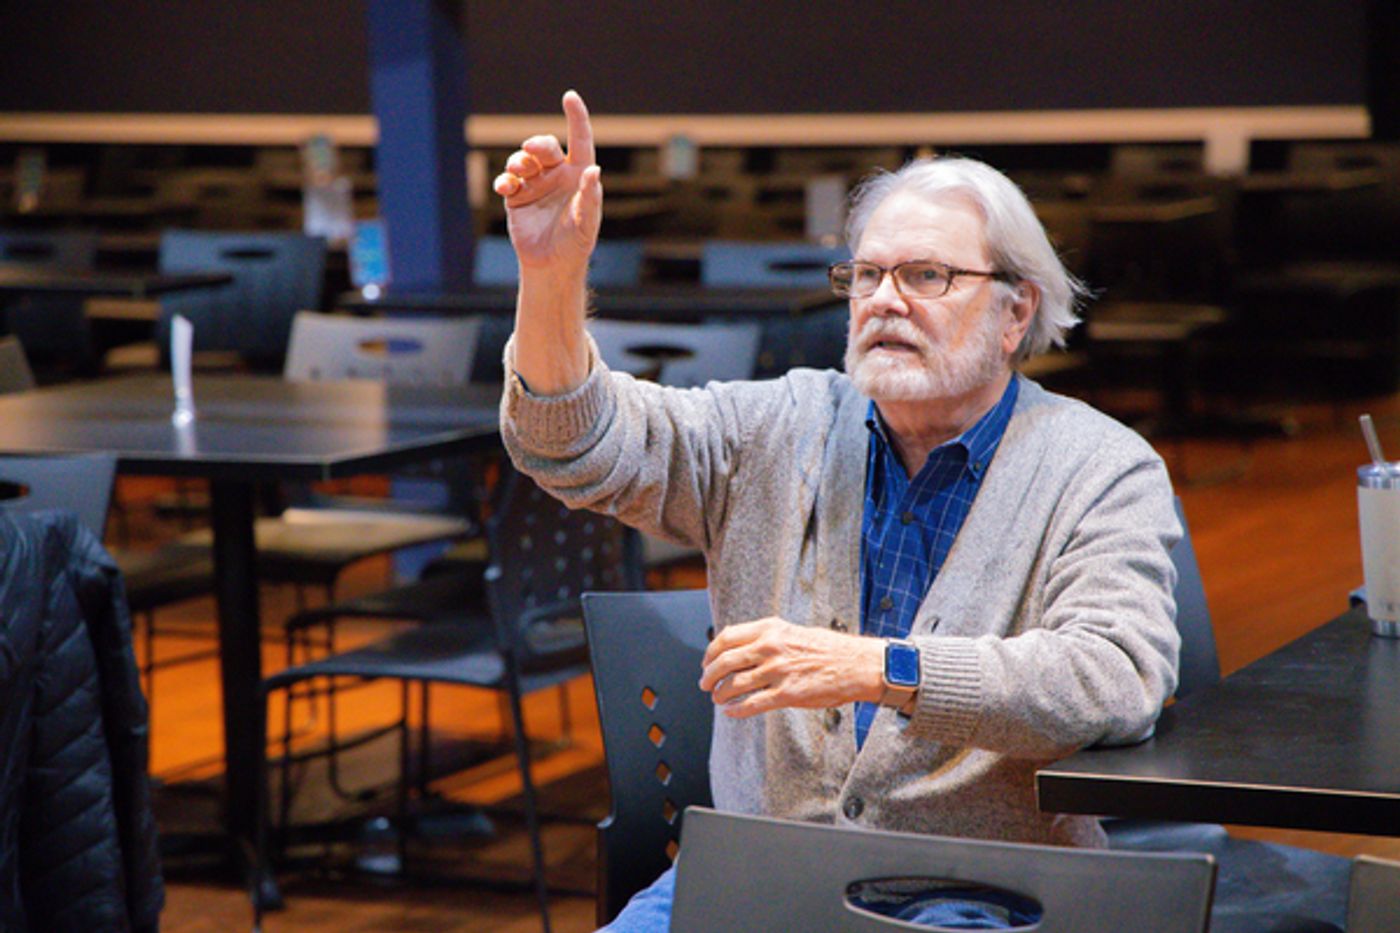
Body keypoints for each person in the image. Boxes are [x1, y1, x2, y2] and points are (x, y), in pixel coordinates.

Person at [495, 91, 1181, 930]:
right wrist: (553, 276)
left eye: (927, 275)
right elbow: (576, 444)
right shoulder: (777, 426)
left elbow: (1113, 677)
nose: (884, 299)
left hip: (982, 892)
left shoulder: (1099, 465)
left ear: (1015, 312)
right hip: (758, 876)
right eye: (866, 273)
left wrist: (878, 669)